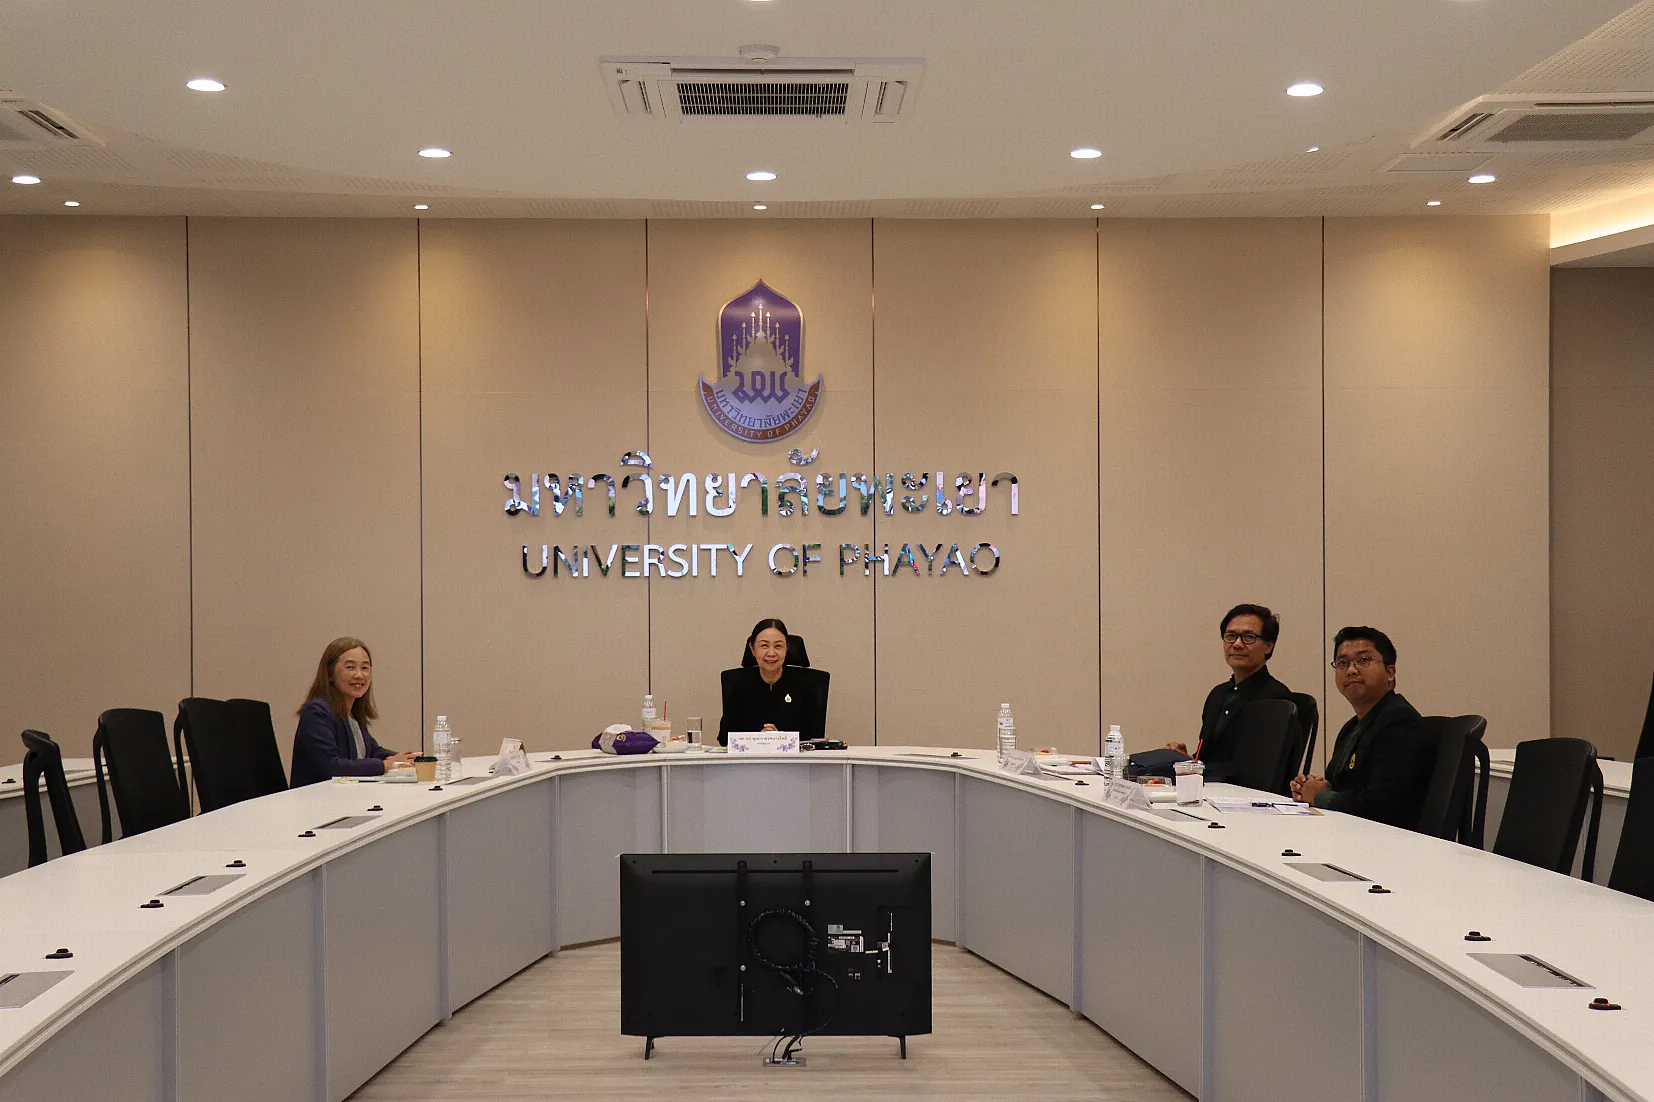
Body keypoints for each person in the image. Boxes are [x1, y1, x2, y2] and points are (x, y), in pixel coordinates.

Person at [1291, 626, 1431, 826]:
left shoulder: (1400, 722)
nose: (1351, 670)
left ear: (1390, 672)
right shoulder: (1352, 727)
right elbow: (1345, 787)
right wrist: (1311, 788)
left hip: (1386, 839)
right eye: (1342, 663)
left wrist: (1320, 796)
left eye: (1363, 660)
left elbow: (1380, 804)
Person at [1167, 604, 1296, 775]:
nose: (1237, 644)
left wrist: (1197, 769)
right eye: (1231, 636)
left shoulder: (1277, 699)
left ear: (1269, 646)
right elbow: (1209, 758)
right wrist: (1187, 760)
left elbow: (1255, 768)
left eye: (1249, 637)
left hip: (1246, 790)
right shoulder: (1218, 694)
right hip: (1211, 786)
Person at [290, 636, 416, 787]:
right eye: (350, 667)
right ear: (330, 674)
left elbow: (373, 752)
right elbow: (330, 766)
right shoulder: (317, 712)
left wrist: (406, 760)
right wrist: (385, 765)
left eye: (365, 668)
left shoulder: (352, 713)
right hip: (318, 798)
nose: (359, 675)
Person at [718, 618, 826, 746]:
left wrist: (779, 739)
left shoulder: (807, 685)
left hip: (794, 758)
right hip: (749, 758)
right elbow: (725, 738)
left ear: (787, 649)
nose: (771, 653)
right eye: (764, 646)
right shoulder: (738, 684)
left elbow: (814, 738)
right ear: (752, 649)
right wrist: (759, 740)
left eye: (778, 646)